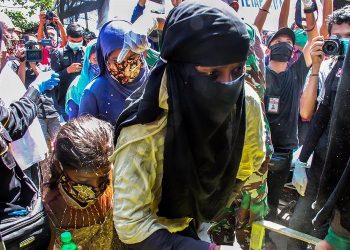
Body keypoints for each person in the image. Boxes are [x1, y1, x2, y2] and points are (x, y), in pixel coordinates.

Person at [111, 0, 250, 249]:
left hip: (201, 221)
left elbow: (249, 162)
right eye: (213, 74)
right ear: (181, 71)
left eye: (237, 70)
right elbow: (131, 225)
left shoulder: (245, 100)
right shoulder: (146, 129)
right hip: (158, 234)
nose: (227, 86)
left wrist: (212, 203)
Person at [288, 6, 350, 250]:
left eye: (349, 37)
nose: (343, 44)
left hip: (346, 178)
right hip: (321, 168)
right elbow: (309, 113)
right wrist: (314, 67)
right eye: (338, 38)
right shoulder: (327, 67)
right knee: (298, 228)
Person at [264, 2, 319, 221]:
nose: (284, 44)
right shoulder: (258, 73)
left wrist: (308, 10)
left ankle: (265, 239)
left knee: (272, 204)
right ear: (268, 48)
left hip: (284, 151)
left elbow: (315, 39)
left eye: (289, 42)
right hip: (257, 149)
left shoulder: (296, 73)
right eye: (278, 41)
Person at [41, 116, 126, 249]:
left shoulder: (114, 180)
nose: (96, 189)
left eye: (103, 178)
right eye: (83, 181)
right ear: (60, 167)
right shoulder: (50, 209)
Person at [79, 19, 150, 125]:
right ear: (105, 59)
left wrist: (151, 19)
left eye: (132, 56)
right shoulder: (93, 93)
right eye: (117, 60)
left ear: (140, 52)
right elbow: (86, 138)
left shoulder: (153, 79)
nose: (126, 70)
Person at [51, 22, 84, 121]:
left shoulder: (86, 52)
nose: (76, 43)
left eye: (79, 41)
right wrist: (67, 71)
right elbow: (53, 79)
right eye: (73, 41)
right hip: (63, 100)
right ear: (67, 38)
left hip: (81, 99)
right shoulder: (58, 53)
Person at [65, 39, 98, 120]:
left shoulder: (113, 82)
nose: (99, 64)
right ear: (88, 59)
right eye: (95, 59)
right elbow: (73, 122)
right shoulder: (75, 87)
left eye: (103, 60)